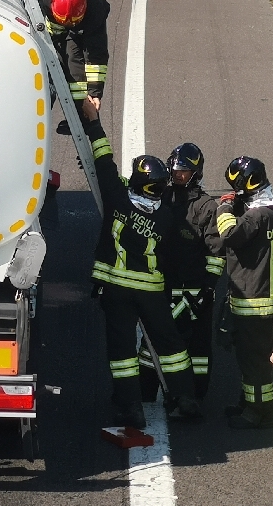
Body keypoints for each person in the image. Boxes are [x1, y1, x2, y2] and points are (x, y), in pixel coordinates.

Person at [81, 101, 202, 428]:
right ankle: (186, 399)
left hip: (117, 290)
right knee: (171, 345)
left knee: (122, 351)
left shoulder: (118, 199)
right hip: (151, 292)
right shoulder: (166, 216)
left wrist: (93, 123)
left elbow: (104, 162)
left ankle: (130, 408)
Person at [139, 143, 223, 400]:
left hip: (194, 294)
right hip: (162, 287)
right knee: (151, 342)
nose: (177, 174)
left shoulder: (206, 207)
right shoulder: (161, 198)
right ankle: (146, 391)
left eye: (183, 170)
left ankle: (194, 397)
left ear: (195, 173)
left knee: (197, 349)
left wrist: (209, 288)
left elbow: (217, 253)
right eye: (175, 169)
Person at [217, 156, 273, 429]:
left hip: (255, 301)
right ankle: (250, 403)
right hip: (267, 297)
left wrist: (224, 207)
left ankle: (260, 413)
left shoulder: (256, 216)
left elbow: (230, 234)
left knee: (254, 362)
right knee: (253, 359)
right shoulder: (272, 207)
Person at [9, 0, 111, 122]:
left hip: (80, 27)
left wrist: (95, 93)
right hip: (50, 30)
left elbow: (96, 54)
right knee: (54, 72)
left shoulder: (96, 8)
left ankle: (82, 113)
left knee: (74, 63)